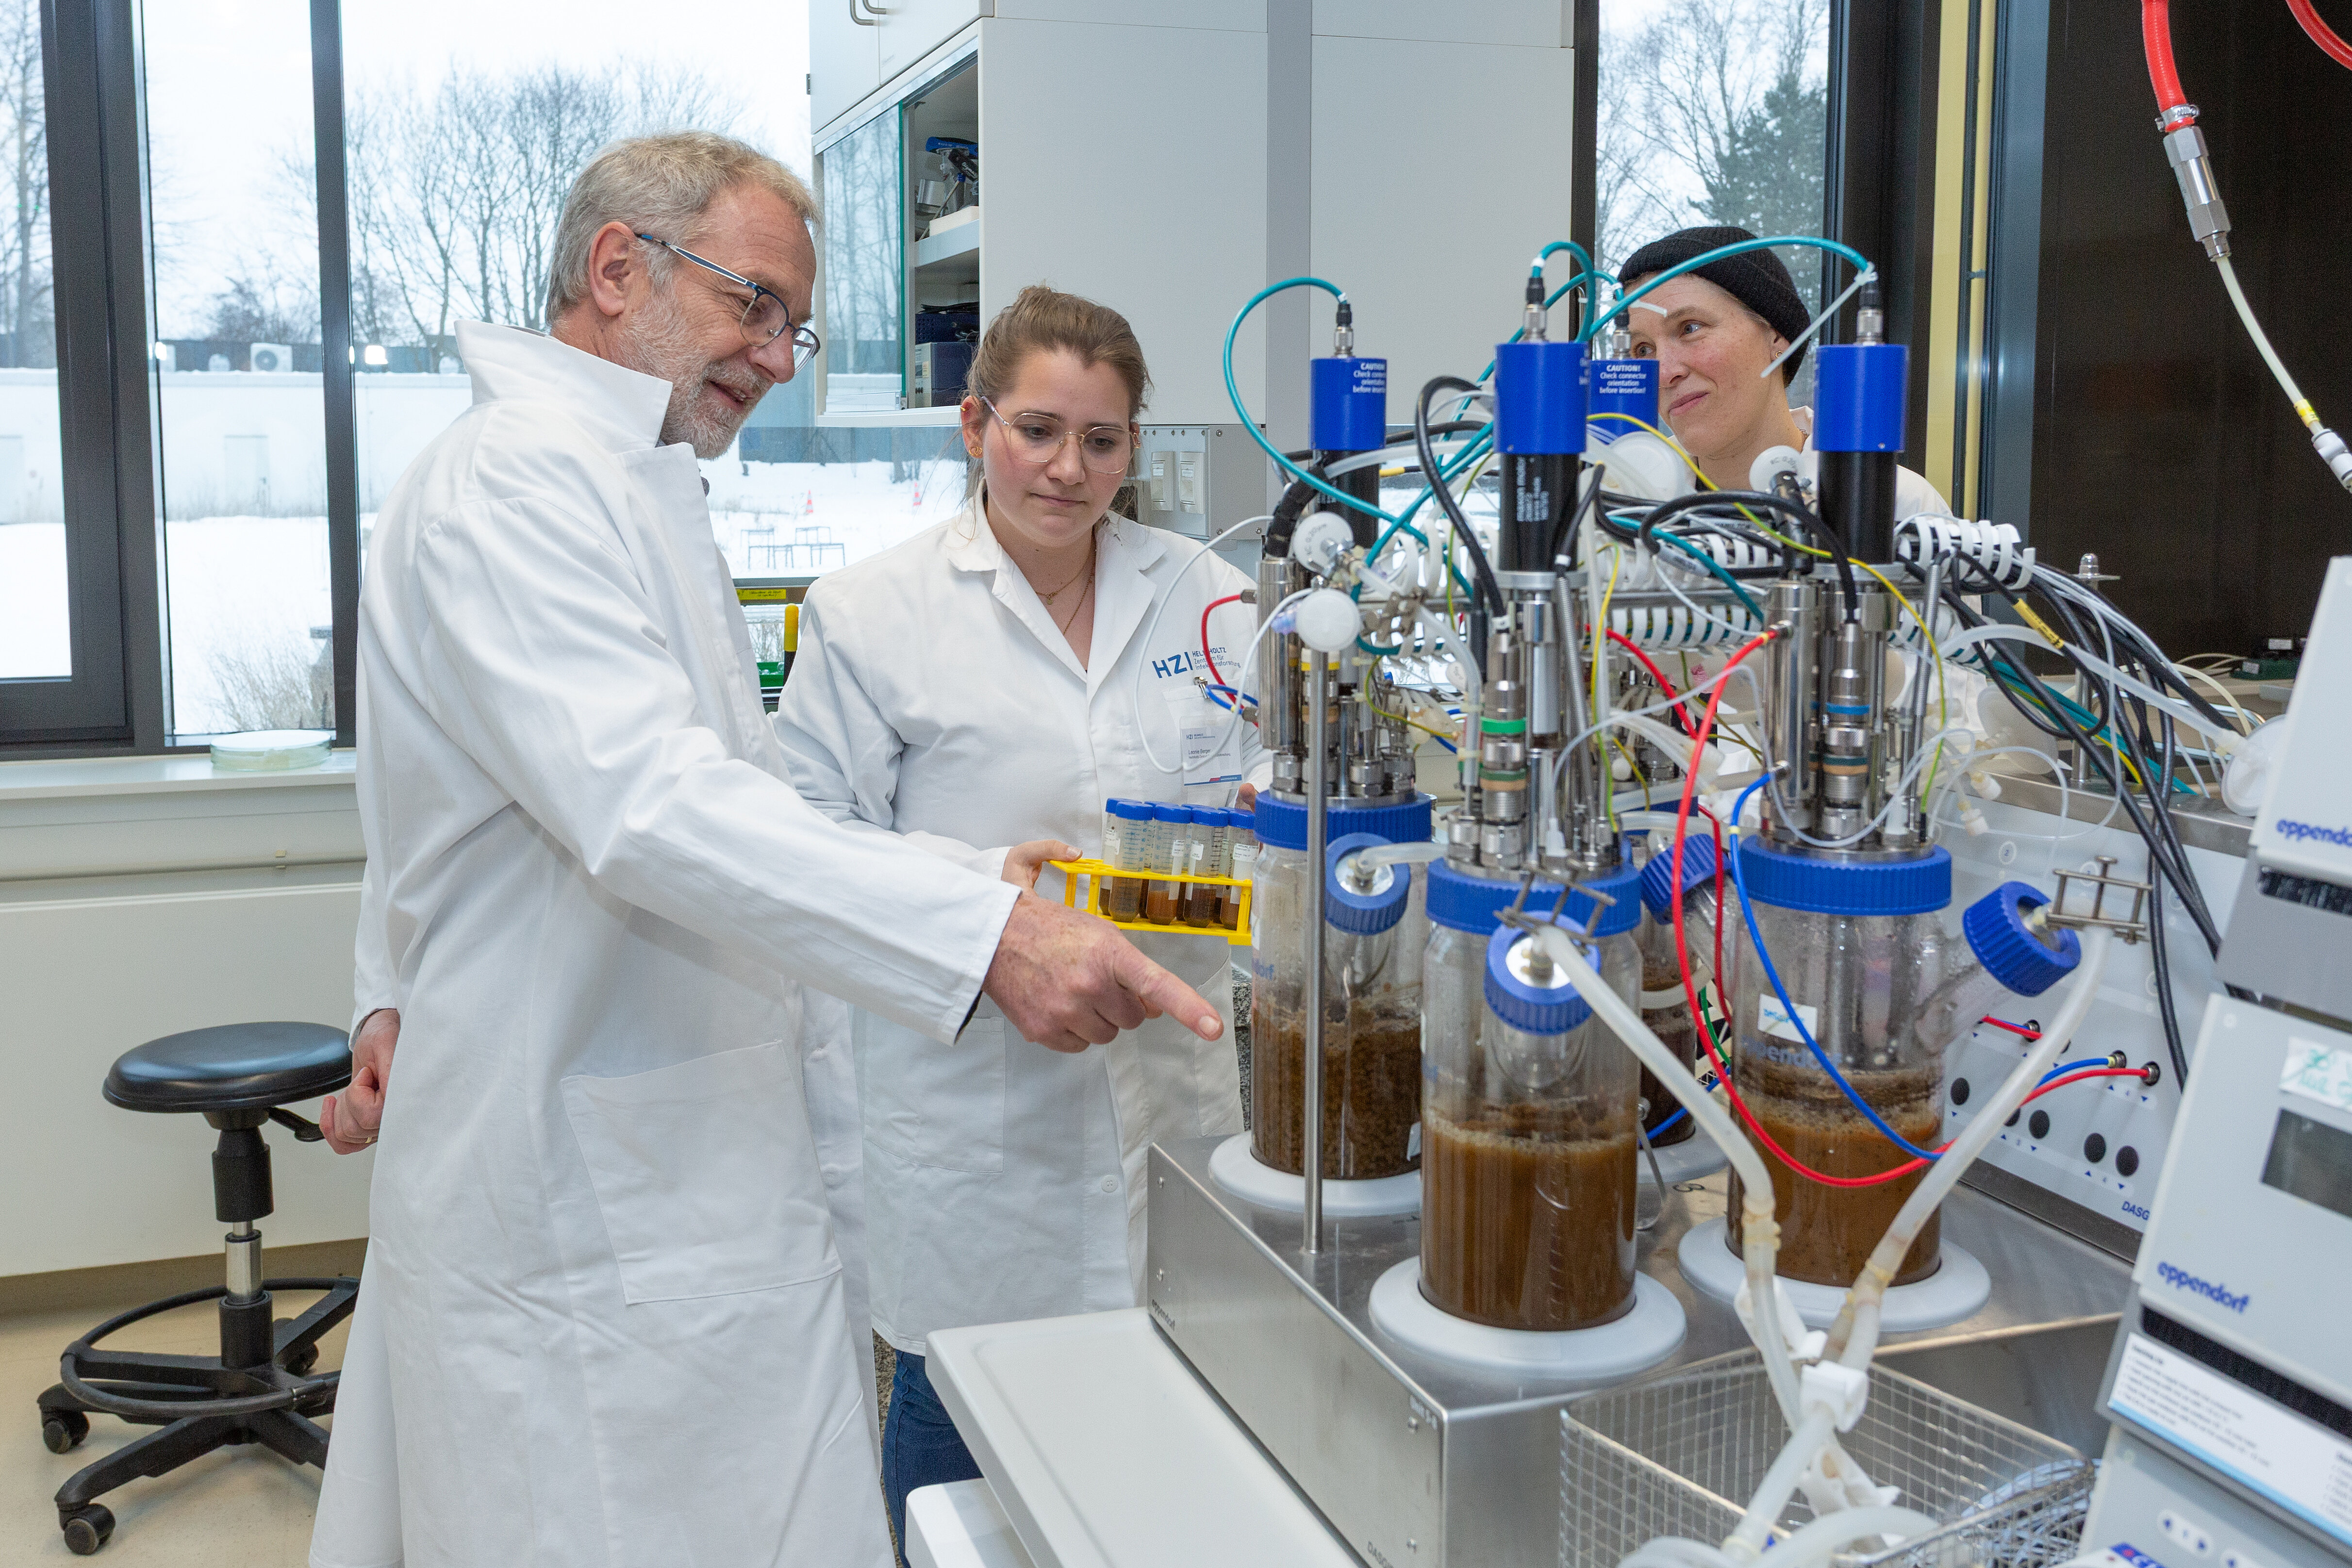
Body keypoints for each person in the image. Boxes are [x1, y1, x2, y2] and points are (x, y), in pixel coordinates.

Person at [307, 133, 1224, 1568]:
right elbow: (644, 805)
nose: (782, 355)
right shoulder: (520, 483)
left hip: (678, 1166)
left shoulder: (635, 483)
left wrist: (956, 884)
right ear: (620, 269)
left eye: (793, 323)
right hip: (591, 1196)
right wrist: (978, 936)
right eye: (757, 306)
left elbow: (488, 795)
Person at [773, 285, 1266, 1557]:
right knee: (962, 1450)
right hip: (976, 1110)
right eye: (1036, 429)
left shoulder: (1207, 597)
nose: (1068, 468)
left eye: (1101, 440)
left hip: (1181, 1085)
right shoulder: (872, 612)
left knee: (1175, 1442)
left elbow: (1286, 790)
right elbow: (798, 840)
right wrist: (982, 878)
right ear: (973, 422)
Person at [1617, 224, 1951, 518]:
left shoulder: (1901, 507)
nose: (1663, 374)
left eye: (1690, 328)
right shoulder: (1624, 499)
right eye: (1643, 350)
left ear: (1777, 336)